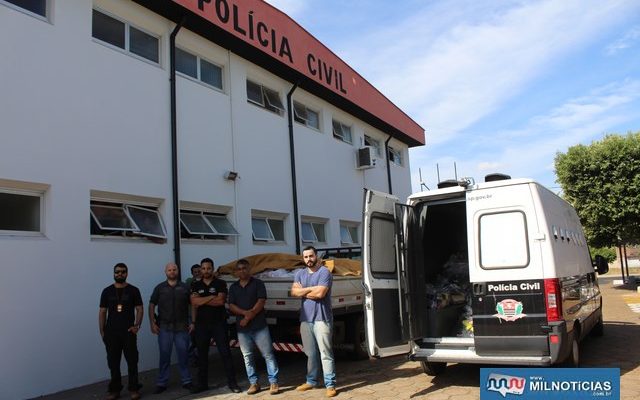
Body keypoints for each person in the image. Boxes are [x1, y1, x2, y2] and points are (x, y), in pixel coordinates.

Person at [290, 246, 337, 397]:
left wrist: (303, 292)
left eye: (311, 256)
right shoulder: (300, 273)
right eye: (305, 257)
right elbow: (294, 292)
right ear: (302, 259)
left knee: (325, 353)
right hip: (305, 319)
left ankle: (330, 384)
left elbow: (321, 293)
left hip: (322, 318)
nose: (308, 259)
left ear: (316, 256)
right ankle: (311, 381)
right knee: (310, 353)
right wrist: (311, 290)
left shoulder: (324, 272)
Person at [228, 259, 280, 395]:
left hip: (259, 326)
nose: (242, 271)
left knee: (268, 355)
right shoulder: (233, 287)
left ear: (249, 269)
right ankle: (254, 383)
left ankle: (273, 382)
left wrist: (248, 317)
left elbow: (261, 301)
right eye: (239, 269)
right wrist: (245, 314)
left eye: (244, 268)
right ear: (236, 272)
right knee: (247, 356)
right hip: (243, 329)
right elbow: (231, 305)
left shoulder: (258, 283)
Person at [190, 257, 241, 394]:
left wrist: (202, 300)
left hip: (219, 323)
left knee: (225, 354)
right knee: (202, 355)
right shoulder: (195, 285)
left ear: (213, 269)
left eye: (208, 268)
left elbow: (220, 302)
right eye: (203, 268)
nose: (206, 271)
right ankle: (202, 384)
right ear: (200, 269)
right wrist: (211, 297)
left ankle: (232, 383)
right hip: (201, 325)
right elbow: (194, 303)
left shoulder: (220, 283)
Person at [99, 263, 144, 400]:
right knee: (113, 362)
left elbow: (140, 308)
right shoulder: (106, 291)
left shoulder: (133, 290)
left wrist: (137, 325)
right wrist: (102, 331)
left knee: (132, 361)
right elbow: (102, 311)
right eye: (117, 272)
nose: (120, 274)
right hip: (111, 332)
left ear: (127, 273)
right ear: (113, 273)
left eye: (123, 272)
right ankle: (115, 390)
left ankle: (134, 389)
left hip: (128, 332)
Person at [148, 263, 193, 394]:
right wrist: (152, 323)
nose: (172, 272)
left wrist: (193, 322)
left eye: (174, 270)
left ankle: (187, 380)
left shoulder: (185, 287)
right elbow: (151, 305)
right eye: (169, 270)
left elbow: (194, 304)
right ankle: (162, 382)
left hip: (182, 328)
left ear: (177, 271)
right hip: (164, 328)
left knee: (183, 356)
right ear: (165, 272)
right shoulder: (160, 288)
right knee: (164, 356)